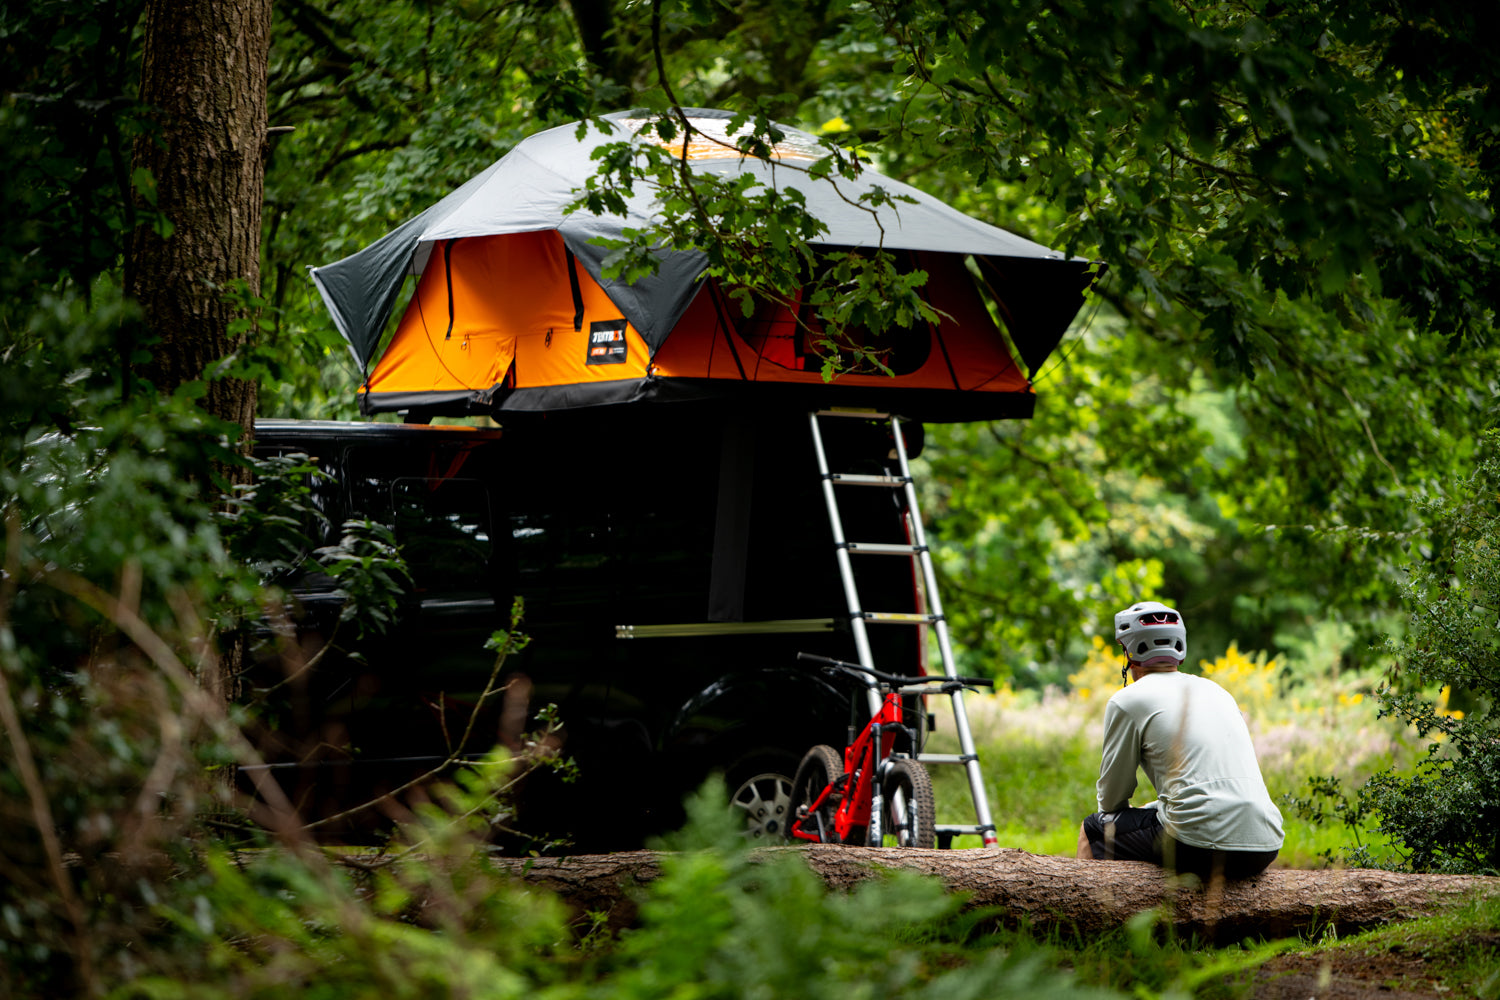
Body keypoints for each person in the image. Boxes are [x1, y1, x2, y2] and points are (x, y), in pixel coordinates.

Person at [1076, 601, 1283, 881]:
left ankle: (1090, 918)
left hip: (1196, 844)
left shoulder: (1128, 699)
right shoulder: (1218, 692)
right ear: (1180, 649)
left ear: (1128, 651)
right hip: (1264, 844)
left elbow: (1112, 801)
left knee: (1093, 830)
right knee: (1161, 815)